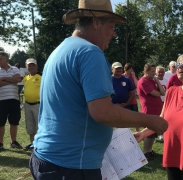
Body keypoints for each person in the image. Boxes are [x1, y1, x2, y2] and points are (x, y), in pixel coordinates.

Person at [29, 1, 168, 179]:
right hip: (71, 165)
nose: (113, 33)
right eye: (111, 26)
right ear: (96, 22)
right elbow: (102, 112)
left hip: (50, 158)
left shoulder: (61, 50)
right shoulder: (89, 52)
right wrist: (150, 121)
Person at [137, 63, 165, 160]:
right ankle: (145, 152)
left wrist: (157, 81)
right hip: (148, 111)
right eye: (152, 72)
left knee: (153, 132)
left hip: (156, 111)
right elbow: (155, 94)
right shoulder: (143, 82)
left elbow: (162, 92)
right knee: (148, 133)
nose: (154, 74)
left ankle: (150, 150)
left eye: (154, 71)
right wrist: (157, 92)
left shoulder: (153, 81)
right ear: (146, 71)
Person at [0, 51, 23, 150]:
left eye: (0, 59)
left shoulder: (14, 69)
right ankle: (0, 143)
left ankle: (13, 141)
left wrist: (4, 78)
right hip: (1, 100)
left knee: (14, 121)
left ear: (6, 59)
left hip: (14, 99)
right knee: (0, 122)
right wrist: (12, 79)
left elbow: (19, 79)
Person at [22, 58, 41, 151]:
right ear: (26, 67)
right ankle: (32, 144)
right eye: (29, 65)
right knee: (30, 126)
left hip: (38, 104)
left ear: (36, 66)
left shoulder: (41, 76)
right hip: (27, 105)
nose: (31, 67)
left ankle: (40, 145)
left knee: (39, 126)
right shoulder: (25, 78)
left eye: (33, 65)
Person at [123, 63, 140, 132]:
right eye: (130, 69)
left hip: (133, 100)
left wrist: (133, 76)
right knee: (125, 117)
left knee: (136, 116)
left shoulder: (132, 77)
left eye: (132, 68)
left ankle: (137, 131)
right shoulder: (122, 77)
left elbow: (138, 85)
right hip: (124, 99)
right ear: (126, 69)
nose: (131, 70)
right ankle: (126, 132)